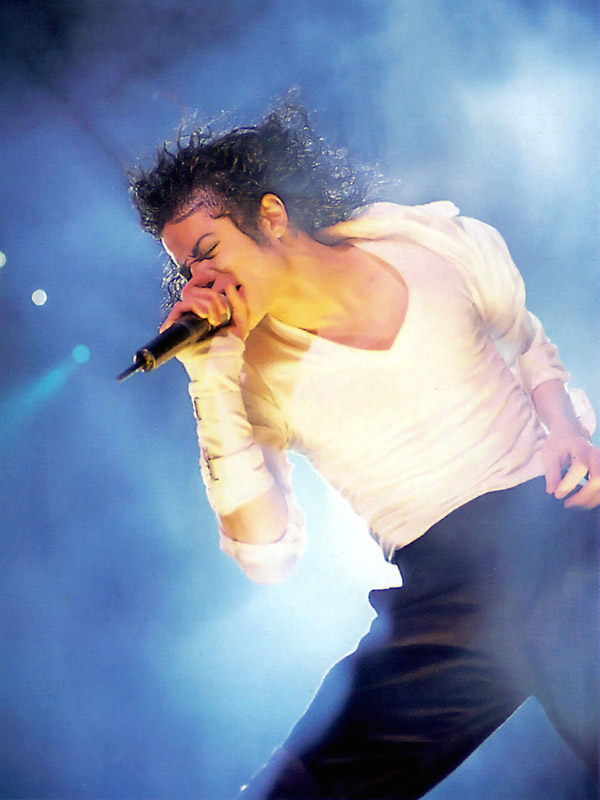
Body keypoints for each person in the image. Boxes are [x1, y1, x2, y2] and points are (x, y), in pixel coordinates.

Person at [129, 102, 599, 799]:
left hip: (553, 528)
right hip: (443, 599)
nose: (203, 281)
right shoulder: (243, 374)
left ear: (271, 216)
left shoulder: (421, 241)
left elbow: (525, 340)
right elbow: (265, 553)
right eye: (186, 270)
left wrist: (570, 430)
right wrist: (210, 377)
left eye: (208, 250)